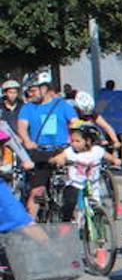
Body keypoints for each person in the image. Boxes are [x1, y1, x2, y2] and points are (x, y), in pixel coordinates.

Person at [16, 72, 77, 219]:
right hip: (40, 152)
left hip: (62, 151)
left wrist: (75, 141)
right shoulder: (28, 108)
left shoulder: (63, 106)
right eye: (29, 90)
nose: (31, 93)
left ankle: (73, 221)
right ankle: (31, 229)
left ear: (45, 88)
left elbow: (75, 124)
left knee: (73, 190)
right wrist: (27, 140)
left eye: (34, 90)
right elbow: (22, 128)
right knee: (37, 192)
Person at [53, 123, 115, 222]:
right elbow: (59, 157)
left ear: (88, 141)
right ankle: (66, 222)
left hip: (92, 184)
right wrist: (59, 160)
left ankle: (98, 228)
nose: (73, 144)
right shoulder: (70, 152)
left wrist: (115, 161)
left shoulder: (97, 151)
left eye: (78, 141)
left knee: (95, 208)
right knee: (70, 202)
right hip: (75, 184)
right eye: (72, 141)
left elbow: (110, 157)